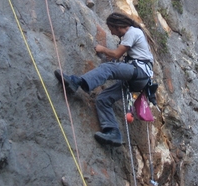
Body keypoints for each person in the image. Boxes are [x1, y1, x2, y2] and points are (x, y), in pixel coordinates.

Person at [54, 12, 154, 146]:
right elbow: (119, 57)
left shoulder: (132, 32)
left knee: (108, 68)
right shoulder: (132, 34)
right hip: (139, 79)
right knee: (103, 99)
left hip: (139, 72)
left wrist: (102, 49)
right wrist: (110, 56)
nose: (112, 33)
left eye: (111, 29)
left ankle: (76, 82)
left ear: (117, 26)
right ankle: (113, 133)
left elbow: (117, 54)